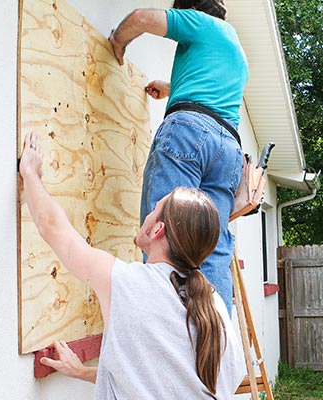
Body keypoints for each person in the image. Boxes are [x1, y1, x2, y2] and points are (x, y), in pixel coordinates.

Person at [20, 131, 245, 398]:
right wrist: (82, 372)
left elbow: (52, 226)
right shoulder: (214, 305)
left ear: (157, 229)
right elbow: (167, 380)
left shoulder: (127, 283)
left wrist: (30, 173)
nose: (147, 215)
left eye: (154, 209)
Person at [109, 0, 249, 314]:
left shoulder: (199, 23)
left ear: (192, 8)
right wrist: (172, 88)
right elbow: (210, 89)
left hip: (189, 134)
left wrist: (117, 43)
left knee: (165, 234)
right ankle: (213, 350)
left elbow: (141, 18)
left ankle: (166, 338)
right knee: (210, 246)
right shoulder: (235, 49)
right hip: (228, 149)